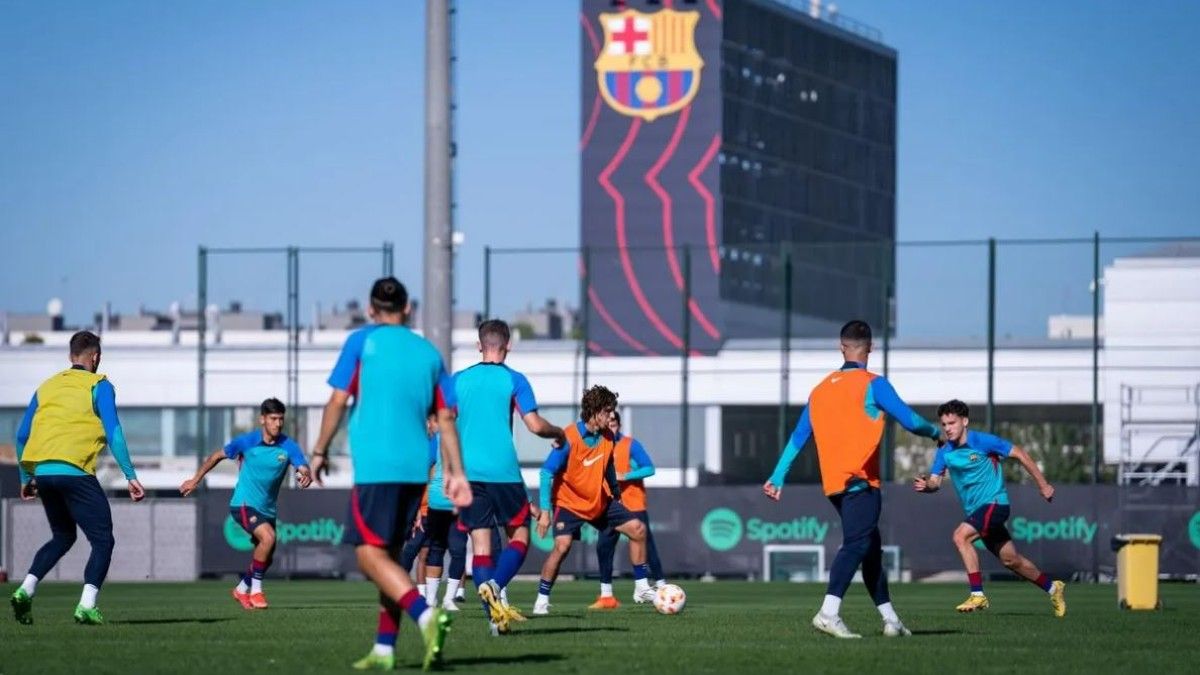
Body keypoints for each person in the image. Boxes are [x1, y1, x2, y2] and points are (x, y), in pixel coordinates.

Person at [308, 277, 471, 672]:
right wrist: (457, 472)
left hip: (377, 468)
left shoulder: (361, 343)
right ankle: (384, 649)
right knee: (392, 559)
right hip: (416, 469)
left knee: (367, 555)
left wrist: (318, 450)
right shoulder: (429, 354)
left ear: (370, 309)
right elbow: (447, 417)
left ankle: (426, 617)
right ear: (408, 308)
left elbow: (336, 399)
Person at [763, 320, 941, 639]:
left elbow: (798, 436)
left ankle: (891, 621)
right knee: (858, 544)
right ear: (871, 348)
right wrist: (937, 433)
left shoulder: (819, 391)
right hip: (861, 483)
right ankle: (828, 613)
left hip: (834, 486)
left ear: (840, 346)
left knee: (871, 549)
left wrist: (777, 475)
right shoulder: (874, 384)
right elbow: (911, 421)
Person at [9, 330, 145, 626]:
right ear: (95, 357)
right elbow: (114, 433)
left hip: (43, 473)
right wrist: (130, 475)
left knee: (63, 536)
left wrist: (25, 477)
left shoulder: (46, 387)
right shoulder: (100, 384)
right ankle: (86, 605)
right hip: (75, 472)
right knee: (103, 540)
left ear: (71, 356)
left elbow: (21, 435)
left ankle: (25, 590)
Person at [452, 319, 565, 634]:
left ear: (479, 345)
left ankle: (494, 617)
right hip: (503, 472)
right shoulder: (514, 380)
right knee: (520, 536)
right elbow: (534, 425)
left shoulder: (458, 380)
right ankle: (496, 586)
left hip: (468, 473)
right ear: (508, 345)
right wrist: (558, 432)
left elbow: (441, 421)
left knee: (481, 544)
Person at [914, 399, 1066, 617]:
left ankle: (977, 594)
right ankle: (1053, 588)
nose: (947, 428)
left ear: (964, 421)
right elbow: (935, 482)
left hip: (995, 504)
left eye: (952, 423)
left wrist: (1043, 485)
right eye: (944, 424)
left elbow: (1020, 454)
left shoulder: (983, 441)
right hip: (977, 511)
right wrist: (926, 485)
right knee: (1011, 560)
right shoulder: (944, 451)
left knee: (960, 537)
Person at [180, 397, 312, 610]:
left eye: (280, 419)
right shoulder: (246, 442)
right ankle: (257, 592)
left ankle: (241, 589)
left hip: (267, 509)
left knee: (266, 557)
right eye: (273, 419)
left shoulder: (288, 446)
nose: (278, 423)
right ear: (262, 420)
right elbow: (216, 456)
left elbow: (303, 467)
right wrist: (195, 480)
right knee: (268, 537)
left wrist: (306, 475)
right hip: (243, 504)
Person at [533, 385, 652, 616]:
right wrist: (546, 511)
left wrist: (616, 494)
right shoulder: (568, 437)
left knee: (638, 529)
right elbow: (546, 472)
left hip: (599, 502)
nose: (611, 416)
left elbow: (608, 465)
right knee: (562, 547)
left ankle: (641, 587)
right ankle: (541, 600)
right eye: (607, 411)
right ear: (595, 411)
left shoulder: (608, 436)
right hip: (569, 504)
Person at [591, 410, 664, 609]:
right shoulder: (597, 444)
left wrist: (627, 475)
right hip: (610, 505)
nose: (611, 424)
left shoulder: (630, 444)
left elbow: (649, 468)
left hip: (633, 504)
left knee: (647, 546)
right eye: (608, 421)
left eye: (614, 421)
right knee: (604, 546)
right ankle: (606, 596)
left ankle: (660, 587)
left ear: (619, 425)